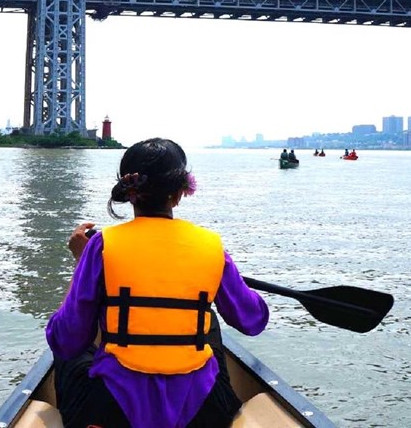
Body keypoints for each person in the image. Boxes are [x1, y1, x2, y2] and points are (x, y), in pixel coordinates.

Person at [46, 137, 269, 428]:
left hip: (115, 411)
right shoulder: (211, 246)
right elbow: (252, 321)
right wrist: (220, 275)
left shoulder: (101, 245)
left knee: (64, 347)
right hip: (202, 412)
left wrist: (82, 265)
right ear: (179, 193)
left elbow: (67, 339)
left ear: (130, 193)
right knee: (207, 320)